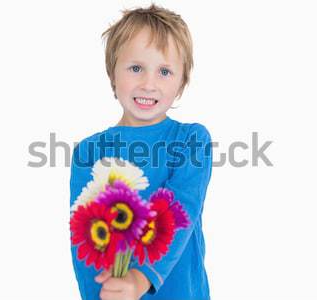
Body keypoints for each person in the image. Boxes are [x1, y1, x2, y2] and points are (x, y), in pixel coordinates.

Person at [70, 4, 212, 299]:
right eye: (136, 68)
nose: (149, 84)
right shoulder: (88, 153)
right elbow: (84, 241)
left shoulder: (192, 141)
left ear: (182, 82)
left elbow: (181, 207)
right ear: (112, 73)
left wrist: (140, 277)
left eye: (164, 71)